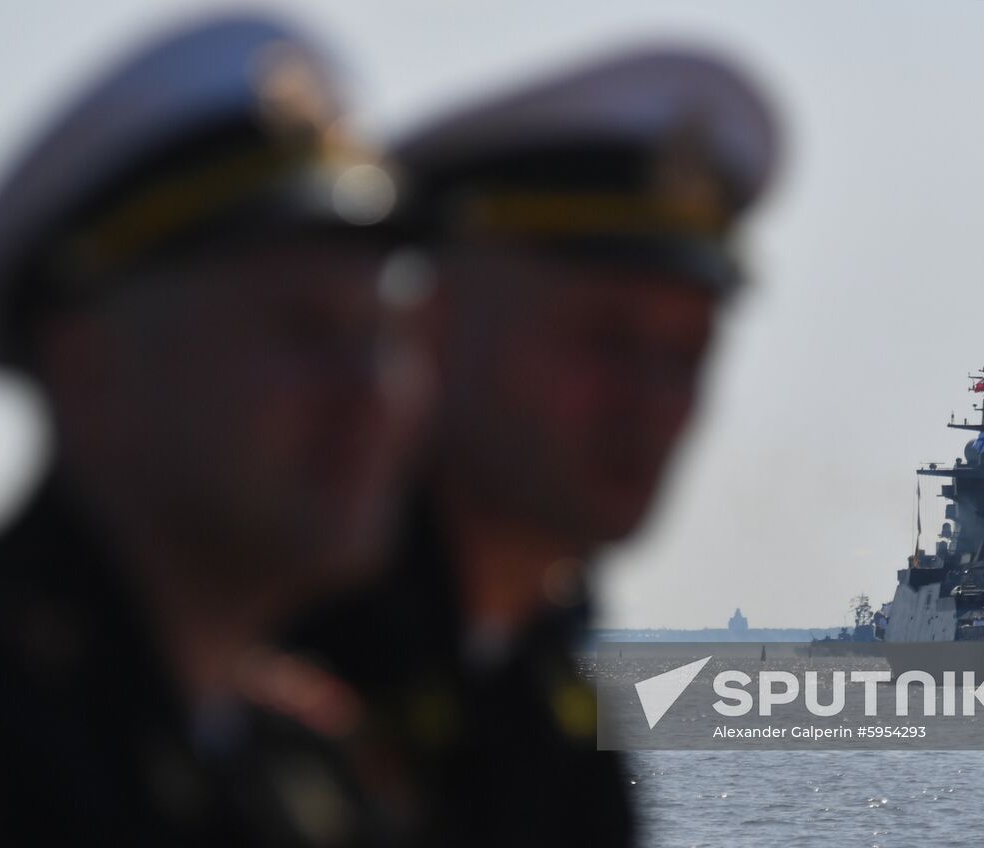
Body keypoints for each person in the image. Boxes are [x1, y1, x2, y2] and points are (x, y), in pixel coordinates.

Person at [0, 13, 434, 847]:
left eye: (384, 339)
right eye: (303, 331)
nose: (367, 393)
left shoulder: (306, 776)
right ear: (90, 363)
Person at [297, 47, 781, 846]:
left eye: (686, 357)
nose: (652, 402)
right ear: (434, 326)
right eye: (605, 339)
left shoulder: (545, 698)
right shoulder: (290, 660)